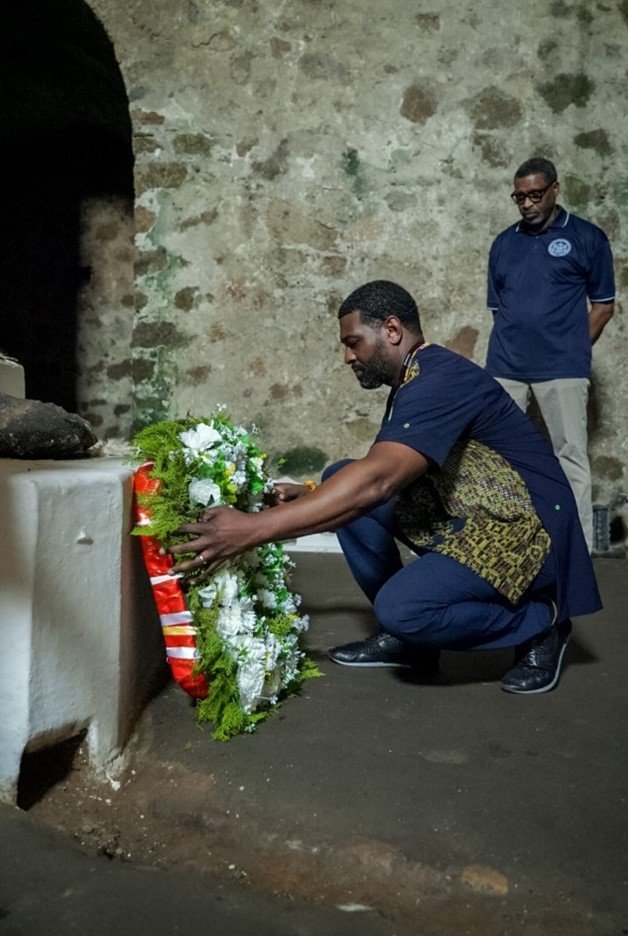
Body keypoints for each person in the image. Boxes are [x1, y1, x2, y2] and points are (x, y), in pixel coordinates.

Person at [169, 280, 602, 694]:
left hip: (525, 530)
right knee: (341, 474)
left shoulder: (439, 380)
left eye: (353, 342)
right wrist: (316, 494)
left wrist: (251, 529)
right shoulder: (416, 376)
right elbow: (376, 473)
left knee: (402, 608)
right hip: (478, 511)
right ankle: (414, 643)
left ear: (392, 330)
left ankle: (541, 620)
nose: (346, 357)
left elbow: (378, 481)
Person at [486, 157, 615, 552]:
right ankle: (501, 541)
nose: (527, 204)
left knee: (570, 455)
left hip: (562, 369)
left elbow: (604, 305)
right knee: (497, 457)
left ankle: (577, 550)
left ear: (555, 190)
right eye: (519, 197)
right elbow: (498, 308)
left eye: (535, 195)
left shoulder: (587, 238)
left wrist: (572, 346)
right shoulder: (504, 243)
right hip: (505, 368)